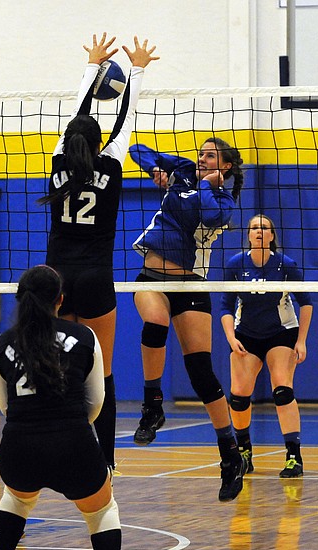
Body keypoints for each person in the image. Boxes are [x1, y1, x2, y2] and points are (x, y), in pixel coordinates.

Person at [39, 32, 158, 476]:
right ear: (99, 141)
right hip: (94, 276)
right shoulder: (112, 164)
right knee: (100, 373)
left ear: (69, 141)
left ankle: (54, 450)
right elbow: (126, 118)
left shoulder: (56, 162)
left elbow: (76, 115)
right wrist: (138, 71)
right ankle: (106, 460)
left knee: (55, 366)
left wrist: (91, 66)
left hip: (57, 280)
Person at [128, 136, 247, 502]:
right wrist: (156, 169)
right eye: (200, 154)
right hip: (152, 278)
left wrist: (205, 186)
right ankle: (152, 405)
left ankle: (230, 455)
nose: (201, 159)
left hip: (191, 284)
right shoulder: (182, 171)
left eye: (210, 156)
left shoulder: (223, 200)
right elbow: (137, 150)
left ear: (225, 166)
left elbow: (208, 214)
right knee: (154, 324)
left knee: (201, 373)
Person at [0, 265, 120, 550]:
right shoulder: (84, 336)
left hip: (18, 449)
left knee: (15, 499)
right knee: (102, 511)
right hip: (74, 447)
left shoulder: (3, 343)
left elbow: (5, 405)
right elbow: (97, 401)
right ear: (60, 300)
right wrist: (70, 423)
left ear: (21, 298)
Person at [219, 214, 313, 478]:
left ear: (272, 236)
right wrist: (230, 337)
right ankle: (245, 453)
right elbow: (225, 305)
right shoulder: (236, 264)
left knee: (282, 389)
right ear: (248, 235)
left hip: (281, 333)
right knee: (238, 395)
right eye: (254, 228)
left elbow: (306, 302)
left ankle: (294, 456)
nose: (259, 232)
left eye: (264, 228)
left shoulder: (286, 265)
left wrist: (301, 340)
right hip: (246, 334)